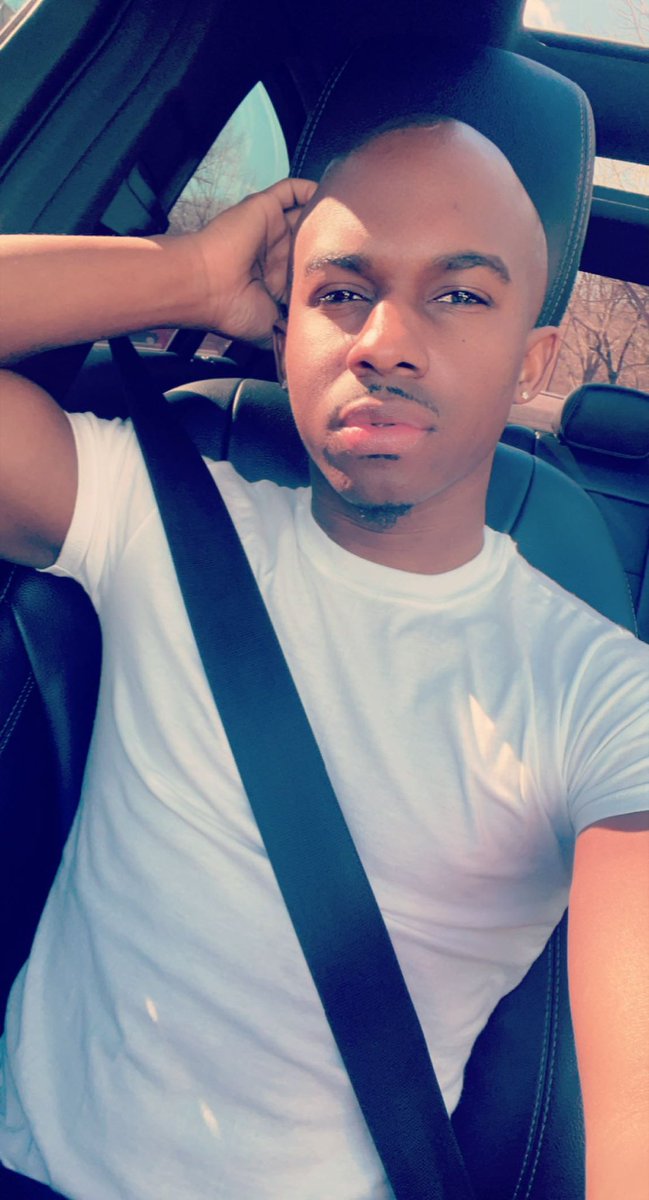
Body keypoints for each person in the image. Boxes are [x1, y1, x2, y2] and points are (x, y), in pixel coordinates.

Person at [0, 119, 647, 1200]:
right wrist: (189, 275)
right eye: (341, 292)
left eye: (459, 295)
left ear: (532, 362)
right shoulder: (150, 515)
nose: (384, 341)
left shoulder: (600, 698)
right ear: (285, 327)